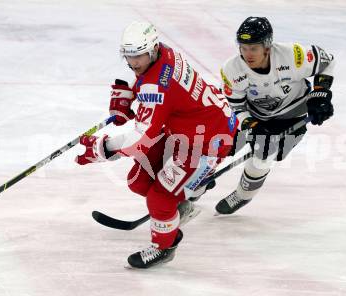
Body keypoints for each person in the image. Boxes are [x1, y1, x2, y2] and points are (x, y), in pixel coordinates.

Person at [75, 21, 237, 269]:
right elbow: (160, 91)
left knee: (160, 198)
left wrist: (102, 148)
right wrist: (130, 96)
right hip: (190, 128)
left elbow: (139, 140)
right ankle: (179, 208)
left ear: (150, 50)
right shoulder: (164, 52)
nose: (134, 63)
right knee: (139, 181)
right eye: (129, 57)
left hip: (207, 142)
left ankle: (164, 247)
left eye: (138, 56)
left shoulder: (156, 86)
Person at [215, 16, 335, 215]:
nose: (247, 54)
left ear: (267, 46)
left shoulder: (293, 55)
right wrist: (251, 125)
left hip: (292, 114)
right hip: (254, 115)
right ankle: (196, 188)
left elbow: (327, 61)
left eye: (253, 48)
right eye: (243, 48)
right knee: (218, 144)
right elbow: (235, 106)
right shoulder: (232, 69)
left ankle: (243, 195)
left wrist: (320, 94)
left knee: (264, 156)